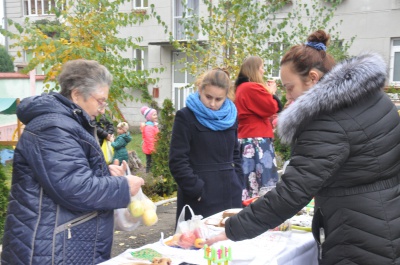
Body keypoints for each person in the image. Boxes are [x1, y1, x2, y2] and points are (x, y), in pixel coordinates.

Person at [206, 30, 400, 265]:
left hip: (359, 233)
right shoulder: (372, 98)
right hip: (385, 216)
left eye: (289, 87)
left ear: (314, 78)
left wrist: (233, 229)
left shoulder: (327, 120)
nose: (286, 96)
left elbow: (292, 191)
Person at [1, 59, 145, 265]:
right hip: (50, 246)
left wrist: (104, 172)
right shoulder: (53, 127)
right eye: (100, 101)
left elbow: (70, 172)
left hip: (60, 239)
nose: (103, 109)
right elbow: (73, 186)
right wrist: (122, 186)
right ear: (77, 94)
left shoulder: (68, 122)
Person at [169, 68, 243, 222]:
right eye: (208, 97)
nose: (212, 104)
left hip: (230, 193)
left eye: (219, 99)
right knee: (199, 243)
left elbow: (236, 154)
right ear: (200, 89)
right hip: (200, 199)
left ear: (226, 96)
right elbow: (178, 160)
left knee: (229, 243)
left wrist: (238, 181)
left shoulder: (230, 116)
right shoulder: (186, 116)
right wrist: (197, 189)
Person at [234, 56, 282, 200]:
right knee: (263, 179)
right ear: (254, 69)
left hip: (246, 137)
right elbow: (271, 107)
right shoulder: (251, 87)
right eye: (261, 67)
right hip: (257, 139)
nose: (263, 70)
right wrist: (271, 92)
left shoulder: (241, 88)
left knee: (249, 178)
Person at [140, 106, 159, 173]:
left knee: (152, 163)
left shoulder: (153, 125)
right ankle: (149, 175)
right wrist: (153, 150)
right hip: (150, 150)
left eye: (156, 114)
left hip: (154, 148)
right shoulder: (149, 127)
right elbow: (149, 140)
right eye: (154, 115)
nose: (156, 116)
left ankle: (152, 174)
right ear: (149, 117)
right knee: (150, 163)